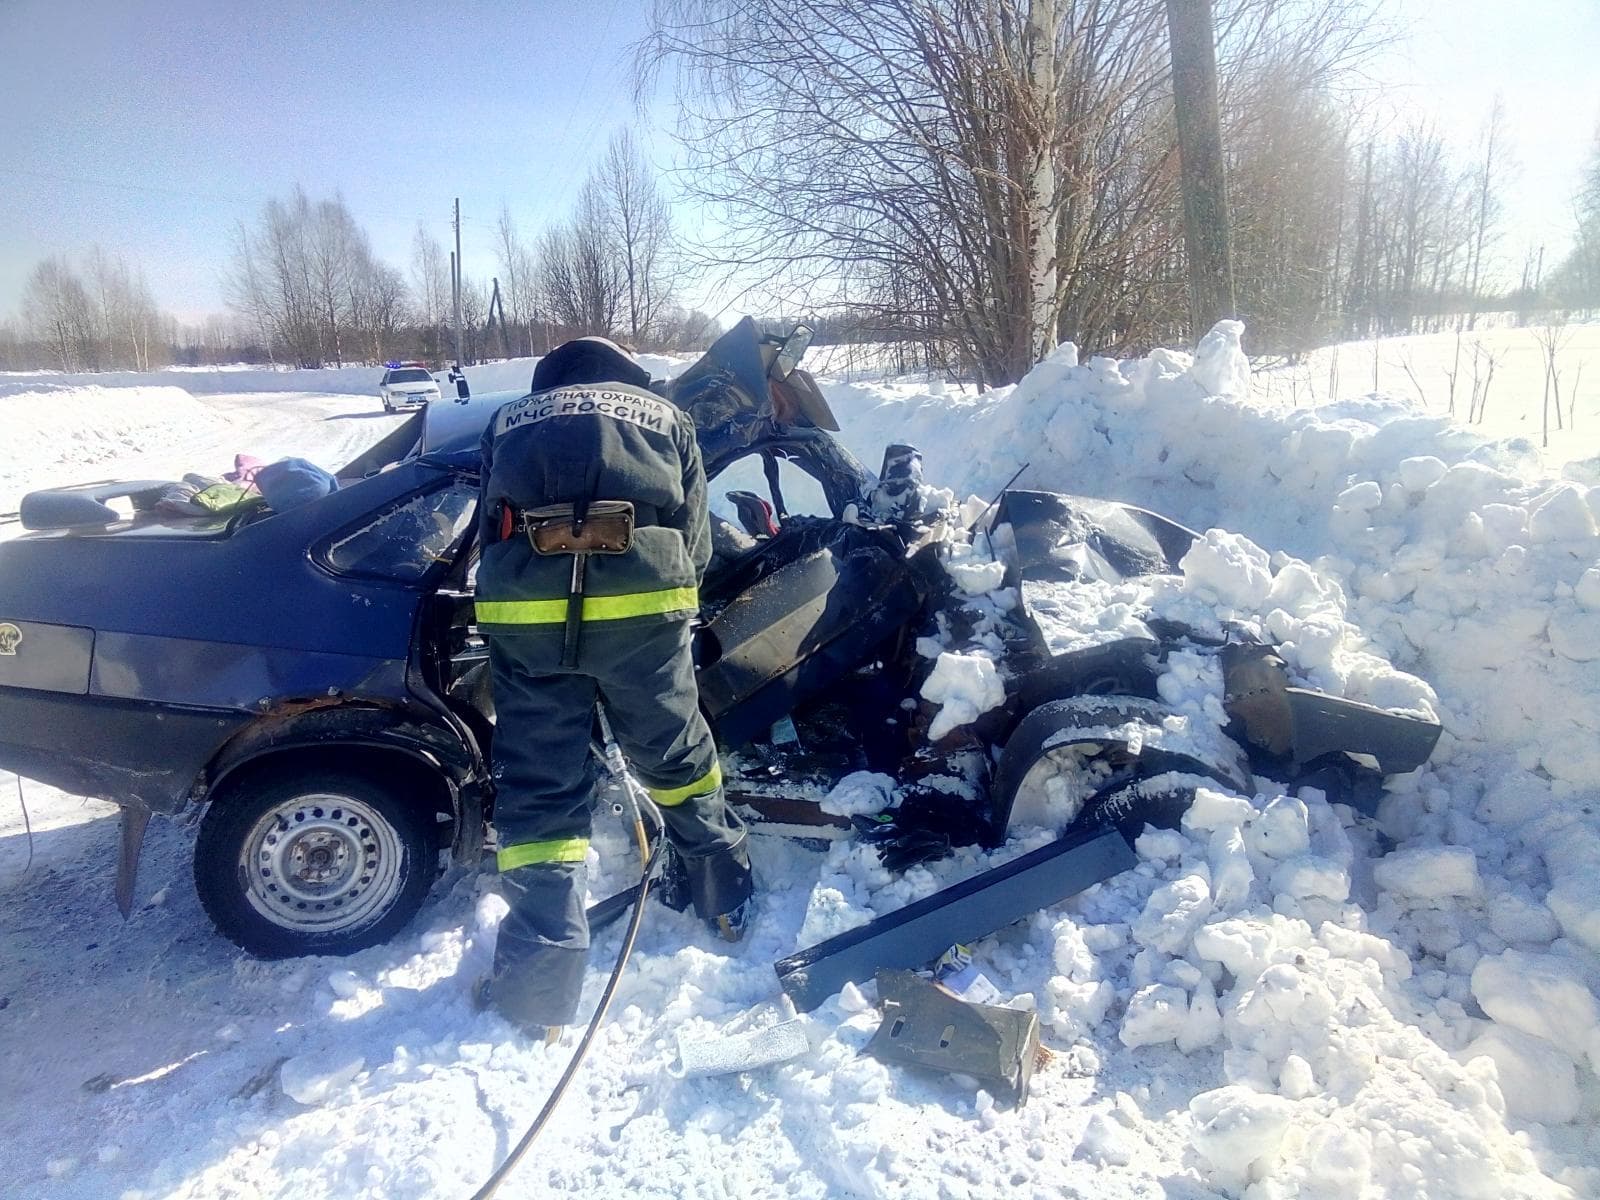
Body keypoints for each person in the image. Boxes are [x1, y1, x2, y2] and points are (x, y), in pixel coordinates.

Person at [474, 336, 754, 1035]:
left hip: (529, 622)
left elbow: (489, 529)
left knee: (539, 790)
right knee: (676, 755)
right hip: (641, 619)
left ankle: (540, 989)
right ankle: (725, 895)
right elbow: (696, 544)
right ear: (625, 371)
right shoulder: (666, 418)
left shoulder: (508, 421)